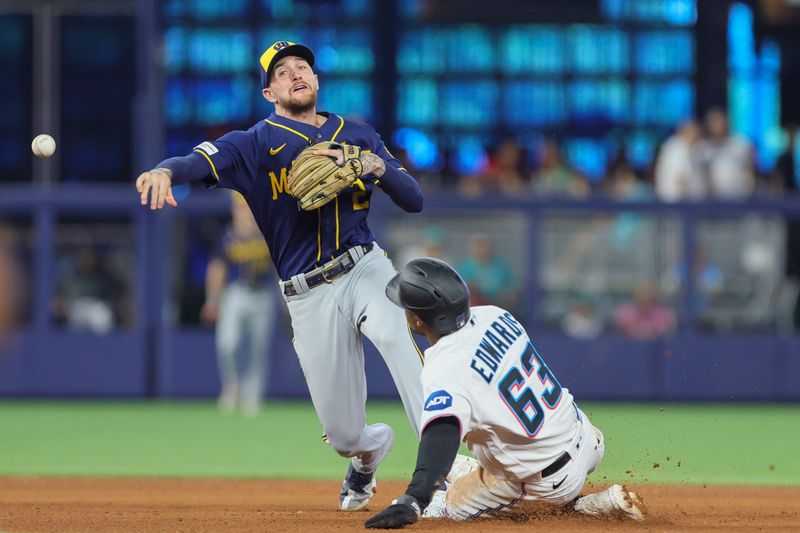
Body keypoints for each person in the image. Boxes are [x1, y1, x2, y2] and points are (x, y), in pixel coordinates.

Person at [135, 41, 427, 511]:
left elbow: (413, 199)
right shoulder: (251, 144)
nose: (296, 75)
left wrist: (374, 165)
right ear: (269, 91)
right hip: (307, 293)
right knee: (344, 434)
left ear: (316, 80)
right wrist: (164, 171)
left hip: (365, 265)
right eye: (284, 71)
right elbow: (194, 161)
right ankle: (368, 455)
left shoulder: (357, 133)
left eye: (303, 68)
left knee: (399, 339)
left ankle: (443, 469)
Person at [365, 258, 645, 528]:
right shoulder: (495, 315)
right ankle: (576, 495)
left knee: (451, 505)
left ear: (416, 320)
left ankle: (588, 506)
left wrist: (415, 499)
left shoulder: (444, 368)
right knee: (477, 456)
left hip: (546, 480)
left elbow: (442, 435)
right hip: (586, 438)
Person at [200, 191, 277, 417]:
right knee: (228, 343)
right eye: (241, 209)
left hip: (263, 294)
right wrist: (212, 300)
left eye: (248, 208)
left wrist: (288, 299)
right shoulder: (228, 236)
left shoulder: (267, 234)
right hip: (236, 292)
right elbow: (217, 269)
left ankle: (252, 394)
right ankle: (232, 385)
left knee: (258, 348)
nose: (245, 214)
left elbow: (279, 267)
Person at [654, 119, 704, 201]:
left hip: (680, 200)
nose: (698, 135)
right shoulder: (676, 148)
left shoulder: (689, 147)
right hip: (676, 200)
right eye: (695, 131)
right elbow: (678, 178)